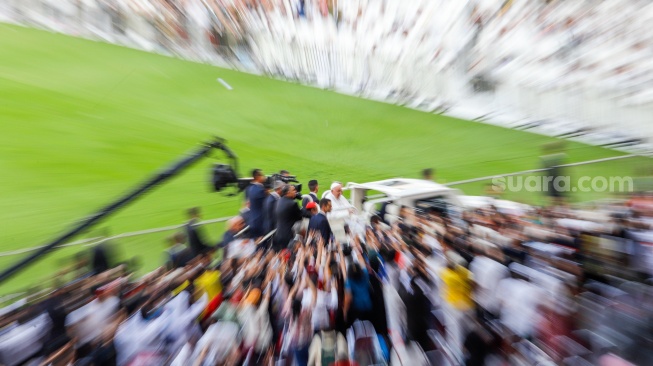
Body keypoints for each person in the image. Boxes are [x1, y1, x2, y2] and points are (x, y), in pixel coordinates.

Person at [274, 184, 303, 252]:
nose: (296, 191)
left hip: (279, 233)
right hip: (288, 235)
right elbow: (300, 216)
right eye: (293, 190)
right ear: (288, 193)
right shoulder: (293, 203)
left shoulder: (279, 201)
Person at [246, 169, 267, 238]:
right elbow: (266, 204)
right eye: (262, 175)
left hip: (252, 221)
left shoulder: (250, 188)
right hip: (260, 223)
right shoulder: (260, 190)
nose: (264, 177)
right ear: (258, 177)